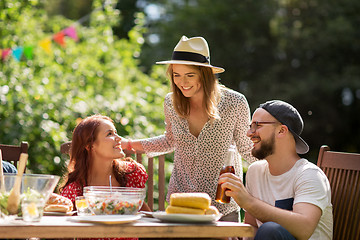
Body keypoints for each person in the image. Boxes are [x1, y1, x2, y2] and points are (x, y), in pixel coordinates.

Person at [121, 36, 256, 222]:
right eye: (176, 75)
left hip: (222, 203)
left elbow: (247, 148)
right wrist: (127, 144)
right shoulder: (171, 102)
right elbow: (169, 141)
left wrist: (283, 166)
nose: (182, 82)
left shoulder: (235, 102)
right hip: (181, 203)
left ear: (204, 74)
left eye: (189, 75)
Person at [218, 100, 333, 240]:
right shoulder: (255, 172)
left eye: (257, 126)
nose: (249, 133)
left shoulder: (309, 175)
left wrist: (248, 202)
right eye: (250, 126)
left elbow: (304, 229)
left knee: (270, 230)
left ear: (281, 130)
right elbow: (252, 228)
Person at [60, 114, 150, 240]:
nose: (119, 138)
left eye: (116, 133)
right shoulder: (76, 190)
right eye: (109, 134)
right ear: (90, 146)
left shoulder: (130, 174)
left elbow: (148, 217)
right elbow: (61, 231)